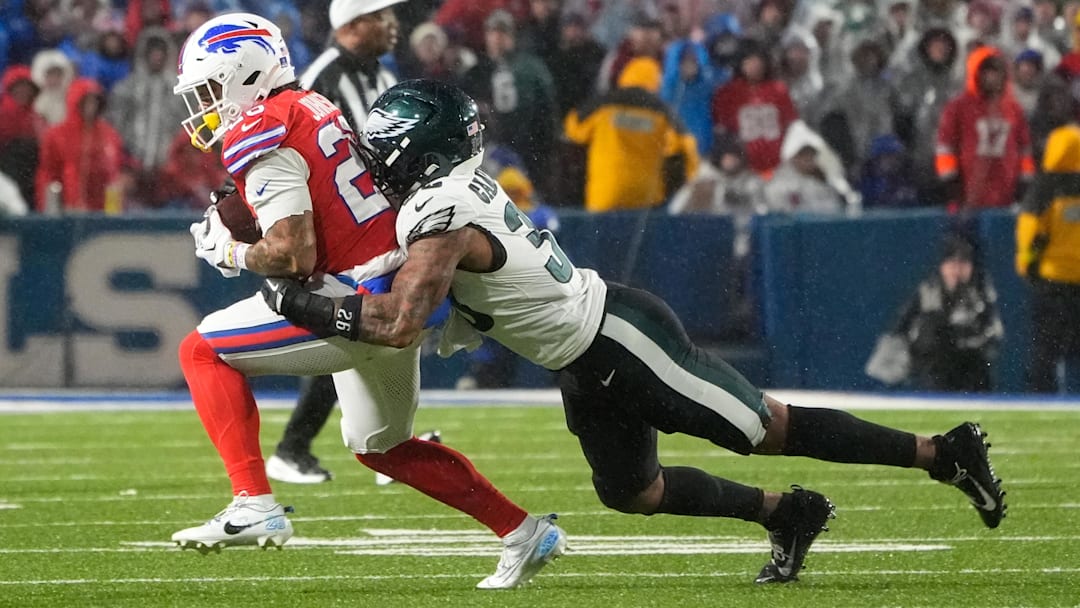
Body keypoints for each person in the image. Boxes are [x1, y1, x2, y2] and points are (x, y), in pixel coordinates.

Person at [264, 79, 1008, 585]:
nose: (370, 160)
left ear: (416, 150)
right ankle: (789, 512)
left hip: (617, 337)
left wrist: (294, 300)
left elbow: (397, 324)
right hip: (583, 360)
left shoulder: (441, 211)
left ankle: (944, 453)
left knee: (762, 427)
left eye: (381, 145)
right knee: (633, 492)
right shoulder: (440, 196)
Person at [168, 15, 565, 590]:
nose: (206, 105)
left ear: (243, 72)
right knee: (384, 446)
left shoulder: (260, 126)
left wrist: (227, 249)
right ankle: (522, 531)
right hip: (395, 287)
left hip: (353, 299)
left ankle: (252, 498)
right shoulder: (311, 105)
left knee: (201, 352)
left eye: (209, 87)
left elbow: (293, 254)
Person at [269, 0, 410, 486]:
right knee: (353, 332)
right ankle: (296, 446)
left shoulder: (382, 73)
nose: (393, 25)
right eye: (382, 15)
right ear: (351, 24)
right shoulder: (320, 78)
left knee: (379, 330)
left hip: (379, 221)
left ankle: (385, 442)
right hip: (342, 230)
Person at [564, 57, 699, 212]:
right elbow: (686, 145)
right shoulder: (661, 111)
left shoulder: (603, 104)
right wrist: (689, 177)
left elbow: (573, 129)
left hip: (606, 192)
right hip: (647, 195)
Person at [887, 234, 1004, 392]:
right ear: (943, 266)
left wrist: (969, 340)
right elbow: (903, 326)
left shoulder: (980, 291)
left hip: (972, 360)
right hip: (936, 362)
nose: (957, 270)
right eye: (952, 263)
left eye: (963, 263)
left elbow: (993, 329)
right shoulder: (928, 290)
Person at [1016, 123, 1080, 393]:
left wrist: (1027, 264)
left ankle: (1041, 396)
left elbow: (1031, 232)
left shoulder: (1045, 188)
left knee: (1045, 349)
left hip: (1052, 281)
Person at [935, 46, 1035, 210]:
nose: (992, 77)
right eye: (987, 71)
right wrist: (951, 185)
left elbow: (1024, 150)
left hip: (1006, 196)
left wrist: (1024, 184)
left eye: (996, 71)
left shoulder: (1013, 110)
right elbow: (945, 148)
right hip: (966, 197)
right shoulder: (959, 107)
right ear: (976, 73)